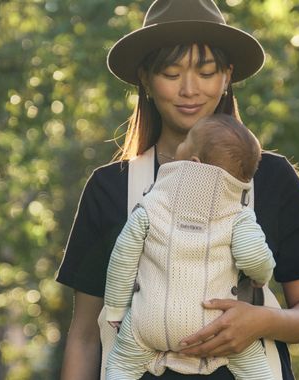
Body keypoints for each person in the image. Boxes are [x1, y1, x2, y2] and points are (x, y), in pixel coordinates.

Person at [56, 1, 299, 379]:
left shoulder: (272, 177)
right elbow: (86, 334)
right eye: (171, 73)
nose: (189, 90)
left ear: (226, 77)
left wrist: (260, 322)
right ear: (146, 80)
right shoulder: (111, 187)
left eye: (206, 72)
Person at [104, 114, 276, 380]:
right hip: (215, 329)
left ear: (193, 162)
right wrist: (260, 277)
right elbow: (254, 258)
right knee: (255, 366)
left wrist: (116, 309)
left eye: (186, 141)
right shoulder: (237, 214)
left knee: (121, 366)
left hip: (149, 323)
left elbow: (122, 259)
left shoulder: (151, 205)